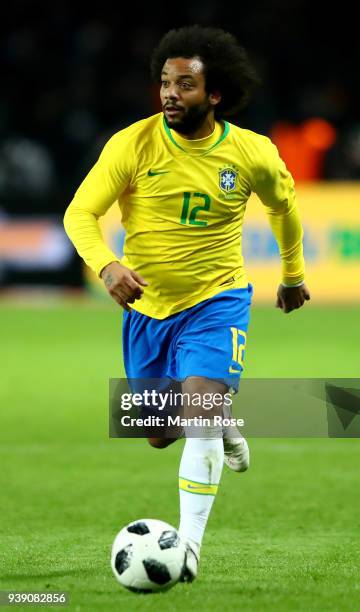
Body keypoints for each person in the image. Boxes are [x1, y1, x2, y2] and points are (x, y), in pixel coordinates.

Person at [64, 25, 310, 582]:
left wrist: (293, 274)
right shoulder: (133, 143)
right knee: (155, 431)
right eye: (165, 83)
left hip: (216, 300)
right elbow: (79, 214)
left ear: (215, 94)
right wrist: (107, 264)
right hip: (148, 311)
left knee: (198, 411)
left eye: (185, 85)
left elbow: (284, 208)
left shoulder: (251, 152)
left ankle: (190, 550)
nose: (170, 94)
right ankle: (223, 419)